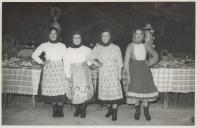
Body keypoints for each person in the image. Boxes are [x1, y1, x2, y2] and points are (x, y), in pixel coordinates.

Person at [32, 27, 69, 117]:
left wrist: (67, 72)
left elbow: (66, 59)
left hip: (60, 69)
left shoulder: (62, 45)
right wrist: (42, 62)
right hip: (49, 70)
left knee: (60, 89)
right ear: (48, 35)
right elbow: (34, 55)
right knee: (51, 90)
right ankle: (54, 109)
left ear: (58, 35)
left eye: (55, 33)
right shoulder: (44, 45)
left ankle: (60, 109)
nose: (53, 35)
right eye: (51, 33)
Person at [124, 28, 159, 121]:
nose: (138, 36)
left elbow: (156, 55)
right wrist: (128, 75)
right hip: (134, 70)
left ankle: (146, 111)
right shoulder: (130, 46)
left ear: (143, 36)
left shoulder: (146, 45)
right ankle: (137, 111)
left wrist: (149, 62)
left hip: (144, 70)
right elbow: (126, 62)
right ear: (134, 35)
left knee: (145, 90)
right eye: (137, 34)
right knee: (136, 90)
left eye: (141, 34)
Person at [89, 30, 124, 121]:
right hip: (103, 72)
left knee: (114, 92)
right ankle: (109, 110)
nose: (105, 37)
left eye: (107, 35)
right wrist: (98, 64)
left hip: (113, 72)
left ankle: (115, 111)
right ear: (101, 37)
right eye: (103, 35)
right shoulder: (98, 47)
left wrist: (119, 73)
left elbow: (120, 61)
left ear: (110, 36)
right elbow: (90, 57)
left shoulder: (116, 47)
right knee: (106, 92)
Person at [63, 31, 94, 118]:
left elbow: (92, 59)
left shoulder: (86, 49)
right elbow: (66, 64)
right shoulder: (67, 50)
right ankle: (77, 109)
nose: (77, 40)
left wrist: (86, 63)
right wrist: (68, 75)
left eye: (78, 37)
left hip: (84, 73)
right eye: (75, 38)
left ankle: (83, 109)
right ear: (72, 39)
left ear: (81, 39)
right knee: (75, 91)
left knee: (84, 91)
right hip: (73, 73)